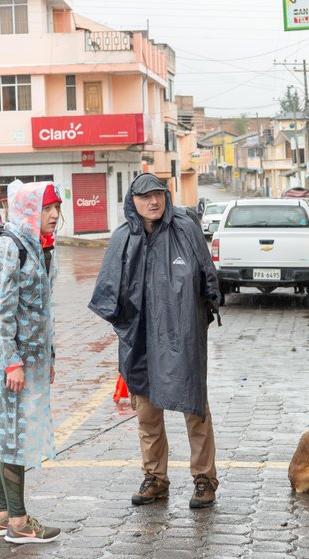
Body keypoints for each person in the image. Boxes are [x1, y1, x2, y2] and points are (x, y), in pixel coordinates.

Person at [89, 173, 221, 509]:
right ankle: (155, 478)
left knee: (195, 410)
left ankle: (204, 479)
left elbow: (208, 276)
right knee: (147, 413)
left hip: (182, 333)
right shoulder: (123, 238)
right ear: (132, 202)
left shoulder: (185, 228)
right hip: (141, 338)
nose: (153, 202)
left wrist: (203, 312)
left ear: (166, 196)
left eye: (159, 195)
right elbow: (108, 291)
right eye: (145, 196)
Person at [0, 180, 63, 544]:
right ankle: (19, 521)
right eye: (46, 207)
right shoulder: (7, 247)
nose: (53, 215)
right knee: (11, 434)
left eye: (56, 207)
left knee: (1, 432)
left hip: (25, 357)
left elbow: (42, 309)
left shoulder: (35, 246)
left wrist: (47, 355)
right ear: (27, 208)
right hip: (6, 359)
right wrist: (11, 362)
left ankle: (1, 514)